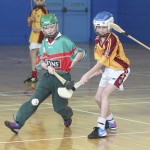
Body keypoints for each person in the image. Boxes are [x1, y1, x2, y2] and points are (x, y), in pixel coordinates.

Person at [4, 13, 86, 134]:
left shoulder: (64, 41)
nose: (49, 30)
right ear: (42, 29)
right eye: (46, 28)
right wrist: (47, 66)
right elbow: (40, 61)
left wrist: (76, 58)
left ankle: (67, 115)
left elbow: (80, 52)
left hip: (62, 78)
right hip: (47, 78)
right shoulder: (44, 43)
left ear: (56, 26)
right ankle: (18, 123)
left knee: (59, 107)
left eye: (51, 27)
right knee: (34, 101)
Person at [80, 11, 130, 139]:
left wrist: (87, 74)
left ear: (109, 26)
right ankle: (111, 121)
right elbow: (100, 59)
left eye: (103, 27)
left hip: (120, 70)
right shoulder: (98, 39)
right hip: (109, 69)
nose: (101, 30)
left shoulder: (112, 39)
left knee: (104, 95)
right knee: (98, 98)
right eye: (98, 27)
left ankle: (101, 128)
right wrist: (95, 71)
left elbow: (102, 61)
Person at [24, 0, 48, 84]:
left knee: (41, 54)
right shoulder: (33, 11)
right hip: (33, 36)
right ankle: (34, 76)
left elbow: (48, 23)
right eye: (36, 0)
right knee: (32, 54)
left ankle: (50, 74)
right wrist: (31, 19)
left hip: (41, 35)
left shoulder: (44, 10)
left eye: (40, 0)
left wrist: (39, 29)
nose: (38, 2)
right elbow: (29, 23)